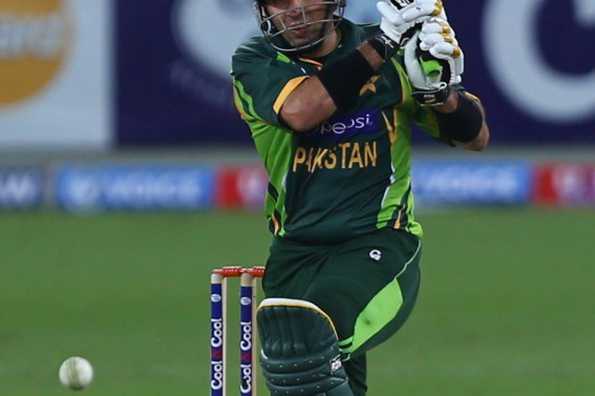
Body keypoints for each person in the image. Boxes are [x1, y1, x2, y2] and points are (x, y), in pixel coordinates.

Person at [231, 1, 490, 395]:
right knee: (307, 374)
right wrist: (383, 45)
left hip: (379, 244)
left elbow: (474, 137)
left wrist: (442, 96)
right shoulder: (255, 61)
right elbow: (301, 111)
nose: (296, 11)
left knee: (304, 340)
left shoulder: (392, 53)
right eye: (281, 1)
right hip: (295, 254)